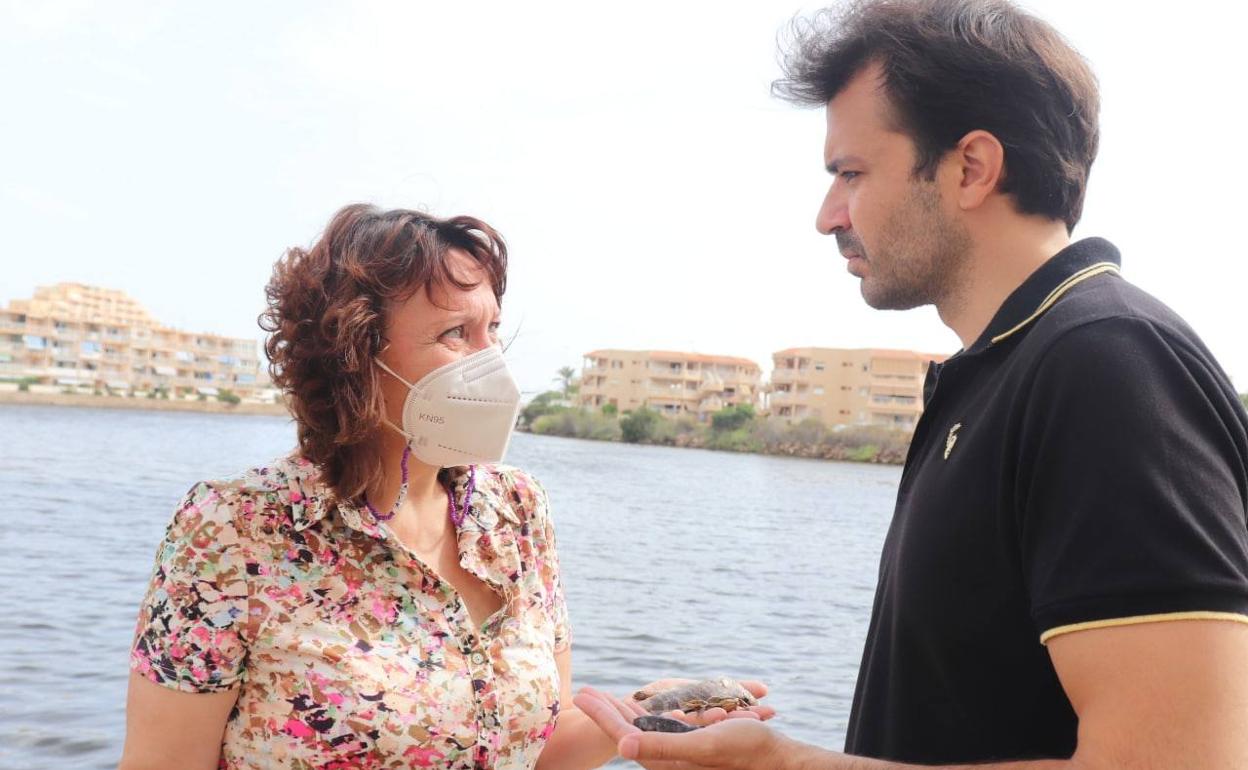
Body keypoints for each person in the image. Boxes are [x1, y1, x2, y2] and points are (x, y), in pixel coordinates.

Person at [574, 1, 1248, 767]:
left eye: (851, 173)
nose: (828, 216)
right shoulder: (1006, 372)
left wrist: (785, 764)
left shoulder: (1107, 365)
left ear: (971, 168)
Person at [118, 204, 769, 770]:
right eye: (457, 333)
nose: (492, 362)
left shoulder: (517, 511)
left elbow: (535, 745)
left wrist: (643, 716)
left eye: (493, 330)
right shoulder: (234, 531)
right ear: (354, 354)